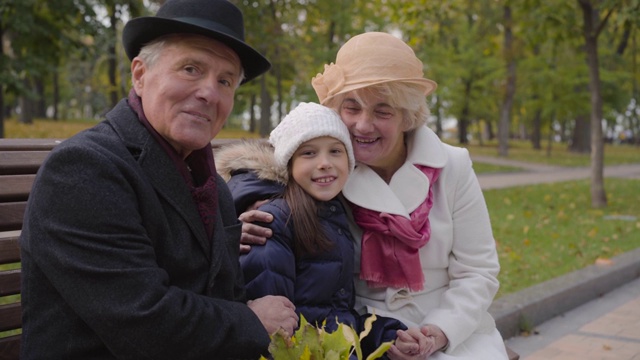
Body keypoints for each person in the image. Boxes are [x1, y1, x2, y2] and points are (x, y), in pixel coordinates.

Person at [19, 0, 298, 358]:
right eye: (191, 68)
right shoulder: (83, 170)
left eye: (225, 80)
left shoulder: (214, 187)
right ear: (140, 75)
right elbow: (142, 321)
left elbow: (224, 295)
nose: (209, 92)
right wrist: (251, 321)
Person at [237, 32, 509, 360]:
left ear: (407, 117)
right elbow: (271, 170)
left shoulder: (452, 166)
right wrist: (240, 213)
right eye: (351, 108)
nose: (363, 125)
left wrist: (439, 332)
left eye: (383, 112)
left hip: (453, 324)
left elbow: (477, 270)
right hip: (364, 326)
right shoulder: (330, 168)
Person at [216, 102, 407, 358]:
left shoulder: (332, 215)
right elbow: (276, 334)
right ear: (288, 163)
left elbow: (333, 316)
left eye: (336, 151)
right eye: (309, 153)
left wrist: (388, 336)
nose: (325, 163)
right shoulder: (273, 222)